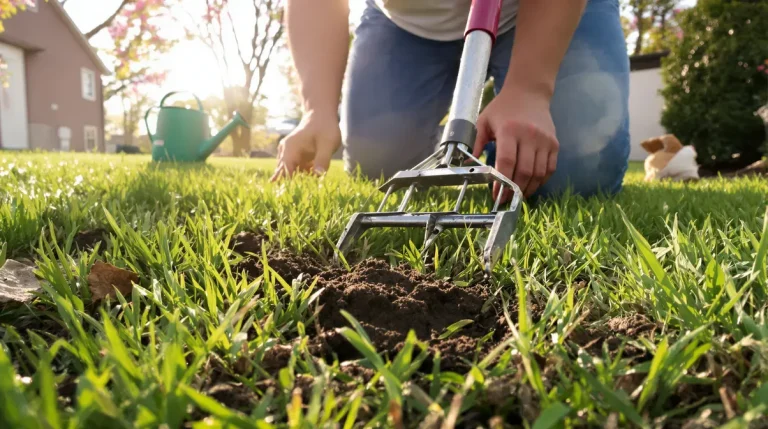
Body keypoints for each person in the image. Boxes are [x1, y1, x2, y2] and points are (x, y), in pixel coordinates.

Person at [271, 0, 631, 201]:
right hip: (405, 23)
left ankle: (503, 144)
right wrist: (317, 109)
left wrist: (530, 89)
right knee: (378, 167)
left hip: (537, 9)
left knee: (577, 180)